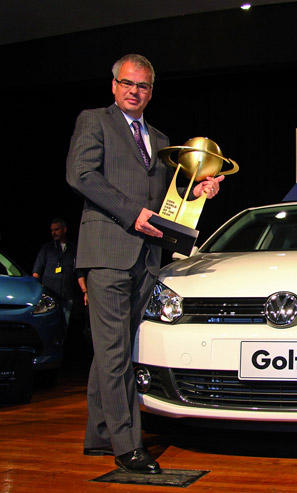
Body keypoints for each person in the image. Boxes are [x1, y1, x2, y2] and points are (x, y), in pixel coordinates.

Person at [66, 54, 223, 474]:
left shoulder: (160, 137)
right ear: (114, 85)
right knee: (116, 353)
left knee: (110, 353)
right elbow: (80, 175)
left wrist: (197, 192)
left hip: (146, 258)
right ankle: (127, 445)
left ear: (152, 91)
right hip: (107, 252)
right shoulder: (94, 120)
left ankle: (101, 433)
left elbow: (163, 206)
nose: (135, 91)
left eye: (144, 86)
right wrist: (129, 212)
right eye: (128, 83)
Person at [32, 218, 78, 324]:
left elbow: (78, 272)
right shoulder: (47, 248)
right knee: (50, 324)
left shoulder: (73, 248)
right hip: (50, 295)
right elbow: (37, 270)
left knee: (64, 325)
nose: (53, 233)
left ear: (64, 229)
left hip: (67, 294)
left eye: (56, 229)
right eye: (52, 230)